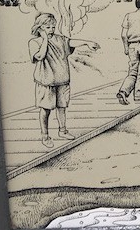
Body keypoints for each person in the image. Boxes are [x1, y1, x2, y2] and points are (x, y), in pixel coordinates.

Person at [28, 12, 99, 149]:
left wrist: (87, 42)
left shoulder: (60, 39)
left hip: (62, 80)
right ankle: (45, 136)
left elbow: (70, 42)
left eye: (53, 27)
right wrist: (45, 39)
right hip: (46, 82)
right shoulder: (34, 42)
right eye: (48, 27)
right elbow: (40, 56)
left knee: (62, 107)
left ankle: (63, 130)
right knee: (45, 110)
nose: (51, 30)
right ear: (40, 28)